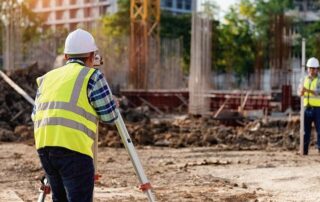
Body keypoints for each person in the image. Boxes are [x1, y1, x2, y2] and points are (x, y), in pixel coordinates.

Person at [31, 28, 118, 201]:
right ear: (92, 56)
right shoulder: (92, 76)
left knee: (60, 198)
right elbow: (109, 117)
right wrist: (112, 102)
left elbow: (35, 115)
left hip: (44, 148)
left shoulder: (48, 77)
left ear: (65, 57)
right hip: (73, 150)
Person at [299, 57, 320, 155]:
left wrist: (306, 90)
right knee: (305, 131)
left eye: (313, 68)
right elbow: (299, 92)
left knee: (319, 130)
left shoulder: (319, 80)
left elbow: (317, 93)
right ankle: (304, 150)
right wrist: (301, 92)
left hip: (317, 109)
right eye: (310, 68)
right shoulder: (304, 79)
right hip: (306, 108)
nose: (311, 70)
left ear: (317, 69)